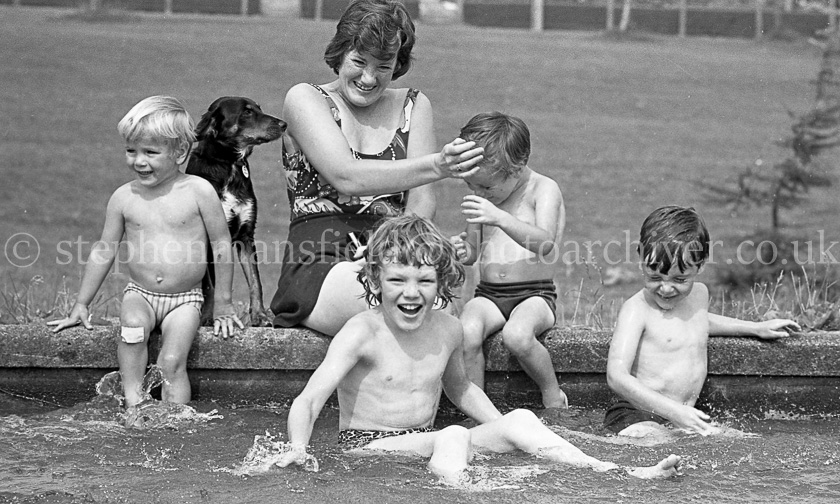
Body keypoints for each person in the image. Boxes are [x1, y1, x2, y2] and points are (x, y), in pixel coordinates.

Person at [276, 215, 681, 483]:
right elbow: (309, 399)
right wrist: (297, 447)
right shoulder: (362, 331)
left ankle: (620, 471)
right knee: (452, 434)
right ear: (375, 279)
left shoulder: (449, 328)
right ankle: (466, 491)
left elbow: (460, 388)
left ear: (442, 282)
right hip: (366, 448)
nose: (411, 293)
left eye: (424, 281)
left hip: (424, 441)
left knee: (520, 418)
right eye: (397, 280)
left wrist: (502, 425)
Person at [269, 0, 484, 336]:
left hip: (395, 255)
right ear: (339, 54)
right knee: (398, 305)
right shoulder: (305, 98)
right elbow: (346, 176)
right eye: (358, 62)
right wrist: (438, 164)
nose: (368, 78)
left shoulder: (414, 105)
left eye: (383, 66)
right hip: (319, 261)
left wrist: (393, 251)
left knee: (438, 308)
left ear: (398, 64)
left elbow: (422, 204)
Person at [49, 96, 243, 413]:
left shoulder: (199, 192)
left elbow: (222, 245)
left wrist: (222, 303)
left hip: (185, 300)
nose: (139, 161)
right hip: (139, 294)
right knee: (132, 334)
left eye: (151, 152)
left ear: (180, 153)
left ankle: (175, 421)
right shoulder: (125, 198)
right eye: (131, 151)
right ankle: (132, 403)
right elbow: (104, 249)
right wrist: (81, 304)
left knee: (171, 362)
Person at [605, 205, 800, 438]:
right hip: (635, 415)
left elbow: (698, 321)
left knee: (745, 440)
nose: (666, 287)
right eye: (654, 276)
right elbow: (616, 376)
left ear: (701, 264)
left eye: (679, 278)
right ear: (640, 257)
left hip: (681, 418)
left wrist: (756, 328)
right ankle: (652, 471)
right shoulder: (637, 309)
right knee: (651, 439)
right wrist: (676, 412)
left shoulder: (699, 295)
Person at [449, 112, 567, 409]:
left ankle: (552, 393)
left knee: (517, 336)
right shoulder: (485, 197)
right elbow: (472, 252)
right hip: (489, 294)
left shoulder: (543, 189)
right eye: (471, 185)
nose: (478, 193)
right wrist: (461, 251)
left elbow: (545, 242)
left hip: (535, 293)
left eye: (486, 187)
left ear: (517, 168)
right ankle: (479, 407)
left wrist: (499, 218)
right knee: (467, 331)